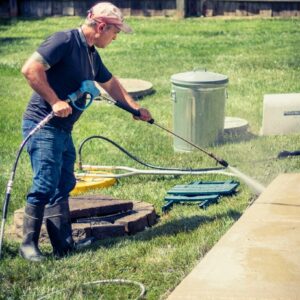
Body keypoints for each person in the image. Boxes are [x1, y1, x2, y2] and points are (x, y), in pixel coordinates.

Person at [20, 1, 152, 262]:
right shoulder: (64, 41)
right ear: (101, 26)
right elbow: (30, 69)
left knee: (64, 183)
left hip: (63, 129)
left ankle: (63, 246)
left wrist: (135, 109)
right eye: (115, 32)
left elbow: (110, 84)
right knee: (45, 184)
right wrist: (55, 100)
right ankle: (28, 246)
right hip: (43, 125)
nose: (116, 37)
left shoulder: (91, 54)